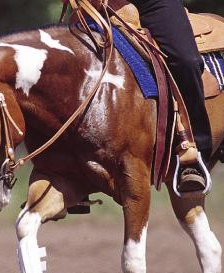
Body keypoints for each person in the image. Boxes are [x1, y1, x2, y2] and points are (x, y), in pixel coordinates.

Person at [64, 0, 212, 192]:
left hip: (154, 3)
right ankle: (69, 165)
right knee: (65, 62)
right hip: (96, 4)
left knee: (186, 61)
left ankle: (194, 153)